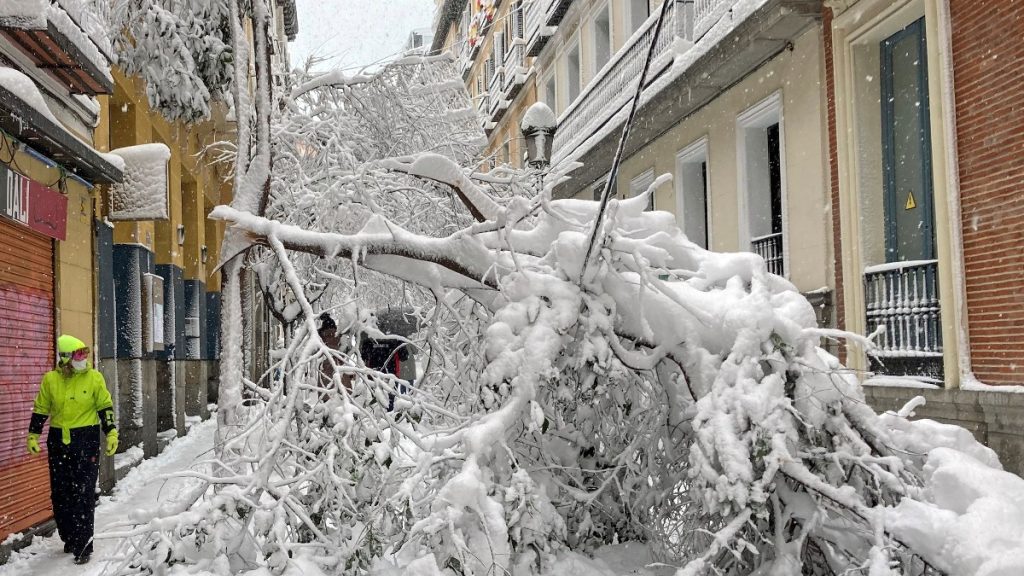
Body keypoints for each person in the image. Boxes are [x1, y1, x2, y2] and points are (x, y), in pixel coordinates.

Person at [26, 334, 118, 565]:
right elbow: (41, 407)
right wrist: (34, 434)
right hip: (58, 442)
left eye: (85, 353)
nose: (83, 358)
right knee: (61, 495)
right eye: (78, 354)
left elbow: (104, 406)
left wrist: (111, 432)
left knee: (84, 493)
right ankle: (69, 536)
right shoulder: (51, 380)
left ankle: (84, 544)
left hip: (86, 441)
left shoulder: (94, 378)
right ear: (65, 358)